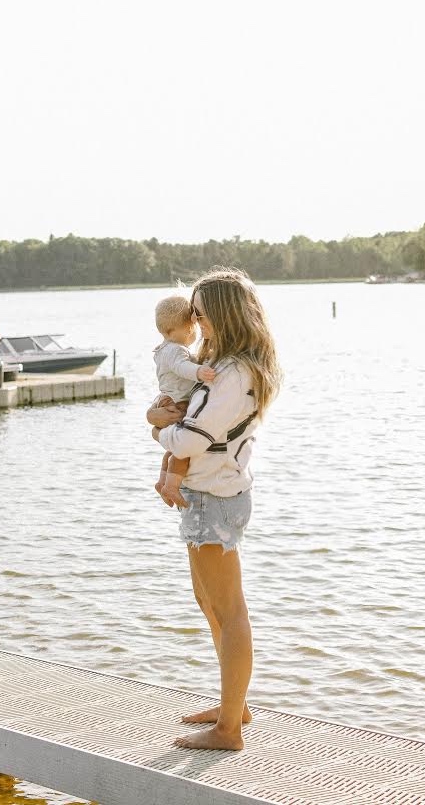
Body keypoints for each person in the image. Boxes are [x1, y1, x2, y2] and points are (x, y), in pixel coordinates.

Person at [146, 267, 281, 751]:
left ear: (222, 313)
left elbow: (190, 437)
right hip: (208, 495)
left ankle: (228, 731)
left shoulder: (234, 372)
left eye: (200, 314)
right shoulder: (221, 365)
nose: (195, 322)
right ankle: (233, 706)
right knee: (210, 604)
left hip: (216, 499)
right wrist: (163, 416)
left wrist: (153, 427)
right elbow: (187, 420)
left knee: (229, 608)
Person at [151, 295, 216, 506]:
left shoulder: (163, 350)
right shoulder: (176, 351)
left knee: (172, 450)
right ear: (180, 329)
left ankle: (162, 482)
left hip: (167, 400)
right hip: (178, 403)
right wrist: (200, 371)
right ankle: (171, 486)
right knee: (182, 450)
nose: (194, 332)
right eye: (191, 327)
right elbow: (182, 367)